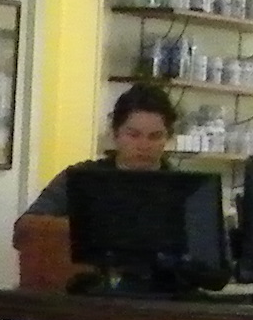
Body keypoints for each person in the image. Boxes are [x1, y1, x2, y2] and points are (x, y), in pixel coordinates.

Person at [21, 83, 181, 219]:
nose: (144, 145)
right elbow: (28, 226)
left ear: (168, 137)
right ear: (115, 134)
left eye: (155, 136)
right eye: (133, 135)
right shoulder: (79, 179)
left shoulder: (184, 189)